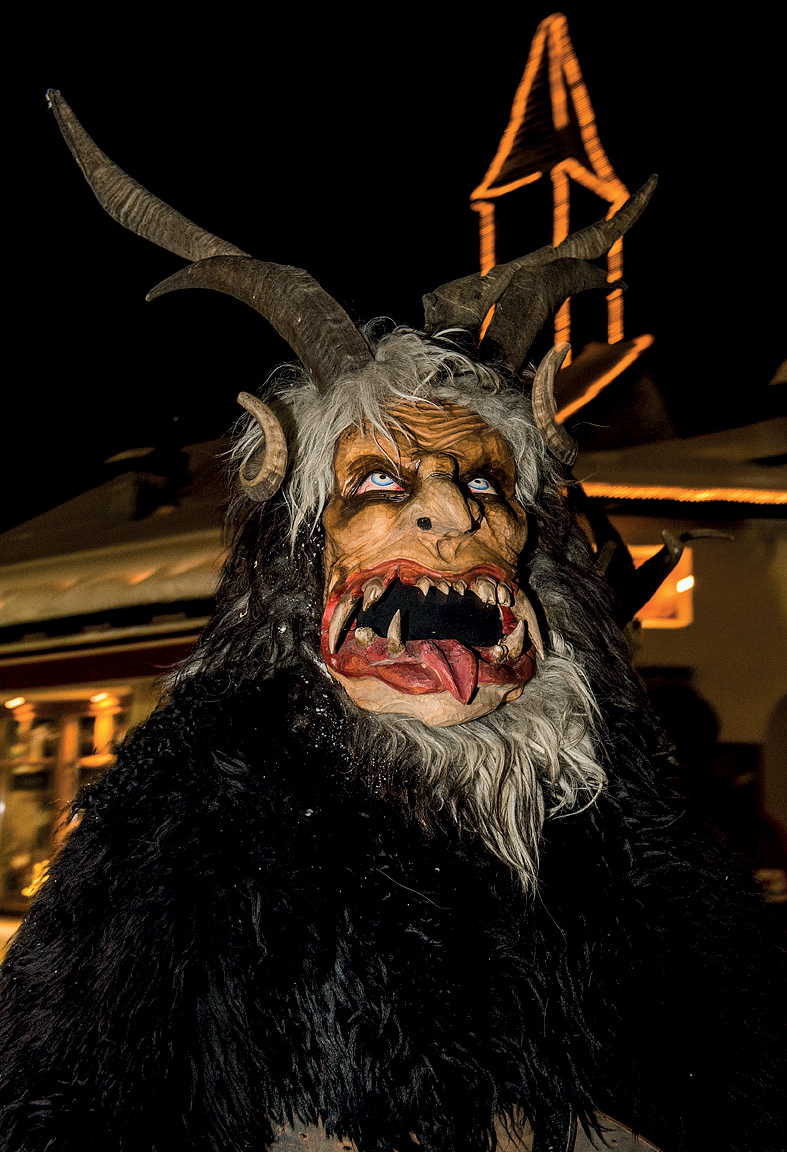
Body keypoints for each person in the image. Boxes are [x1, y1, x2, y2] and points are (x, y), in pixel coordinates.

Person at [0, 91, 783, 1152]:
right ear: (303, 539)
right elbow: (81, 1092)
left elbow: (725, 1057)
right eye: (380, 481)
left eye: (484, 480)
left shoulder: (610, 803)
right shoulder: (197, 809)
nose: (452, 510)